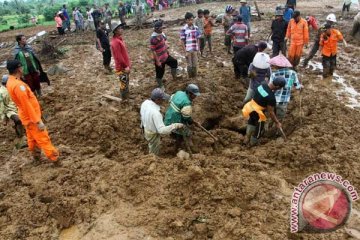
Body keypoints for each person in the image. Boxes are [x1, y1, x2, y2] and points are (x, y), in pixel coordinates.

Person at [6, 60, 59, 162]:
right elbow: (27, 105)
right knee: (43, 138)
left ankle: (36, 156)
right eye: (21, 66)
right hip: (31, 118)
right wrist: (38, 121)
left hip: (26, 117)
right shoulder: (18, 86)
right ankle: (55, 158)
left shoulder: (10, 81)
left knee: (32, 139)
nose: (23, 68)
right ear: (18, 69)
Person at [242, 78, 285, 146]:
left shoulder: (262, 84)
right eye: (280, 88)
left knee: (251, 121)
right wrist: (277, 122)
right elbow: (271, 112)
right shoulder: (271, 97)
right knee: (259, 130)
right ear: (277, 87)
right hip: (258, 113)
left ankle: (246, 138)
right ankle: (252, 144)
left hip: (250, 107)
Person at [140, 88, 184, 155]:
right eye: (162, 99)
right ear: (157, 100)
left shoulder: (145, 103)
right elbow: (162, 130)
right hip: (152, 133)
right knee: (154, 148)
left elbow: (142, 115)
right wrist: (175, 125)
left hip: (145, 127)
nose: (164, 100)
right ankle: (152, 158)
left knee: (150, 143)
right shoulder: (156, 113)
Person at [268, 54, 302, 122]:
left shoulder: (274, 74)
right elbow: (297, 86)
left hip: (273, 100)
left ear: (277, 65)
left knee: (272, 116)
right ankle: (276, 130)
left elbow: (270, 87)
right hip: (283, 101)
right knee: (280, 118)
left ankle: (270, 126)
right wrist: (301, 86)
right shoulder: (293, 73)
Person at [150, 20, 179, 90]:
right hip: (159, 58)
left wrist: (167, 50)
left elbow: (165, 42)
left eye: (162, 28)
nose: (162, 29)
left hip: (165, 55)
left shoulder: (162, 34)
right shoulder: (153, 38)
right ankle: (160, 85)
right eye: (161, 28)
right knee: (160, 72)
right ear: (156, 29)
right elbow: (153, 51)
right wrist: (157, 61)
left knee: (174, 62)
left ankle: (174, 76)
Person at [111, 23, 131, 99]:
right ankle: (124, 98)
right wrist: (125, 66)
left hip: (125, 66)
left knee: (126, 81)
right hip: (121, 68)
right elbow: (119, 57)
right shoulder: (115, 42)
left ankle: (126, 95)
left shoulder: (119, 39)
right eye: (120, 28)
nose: (122, 29)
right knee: (123, 83)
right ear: (116, 31)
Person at [180, 12, 201, 78]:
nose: (192, 21)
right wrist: (185, 51)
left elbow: (198, 39)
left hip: (195, 49)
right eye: (190, 20)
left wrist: (199, 49)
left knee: (195, 64)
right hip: (188, 50)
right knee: (189, 65)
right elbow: (182, 41)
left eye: (192, 19)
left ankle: (194, 77)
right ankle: (190, 78)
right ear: (186, 20)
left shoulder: (196, 28)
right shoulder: (183, 29)